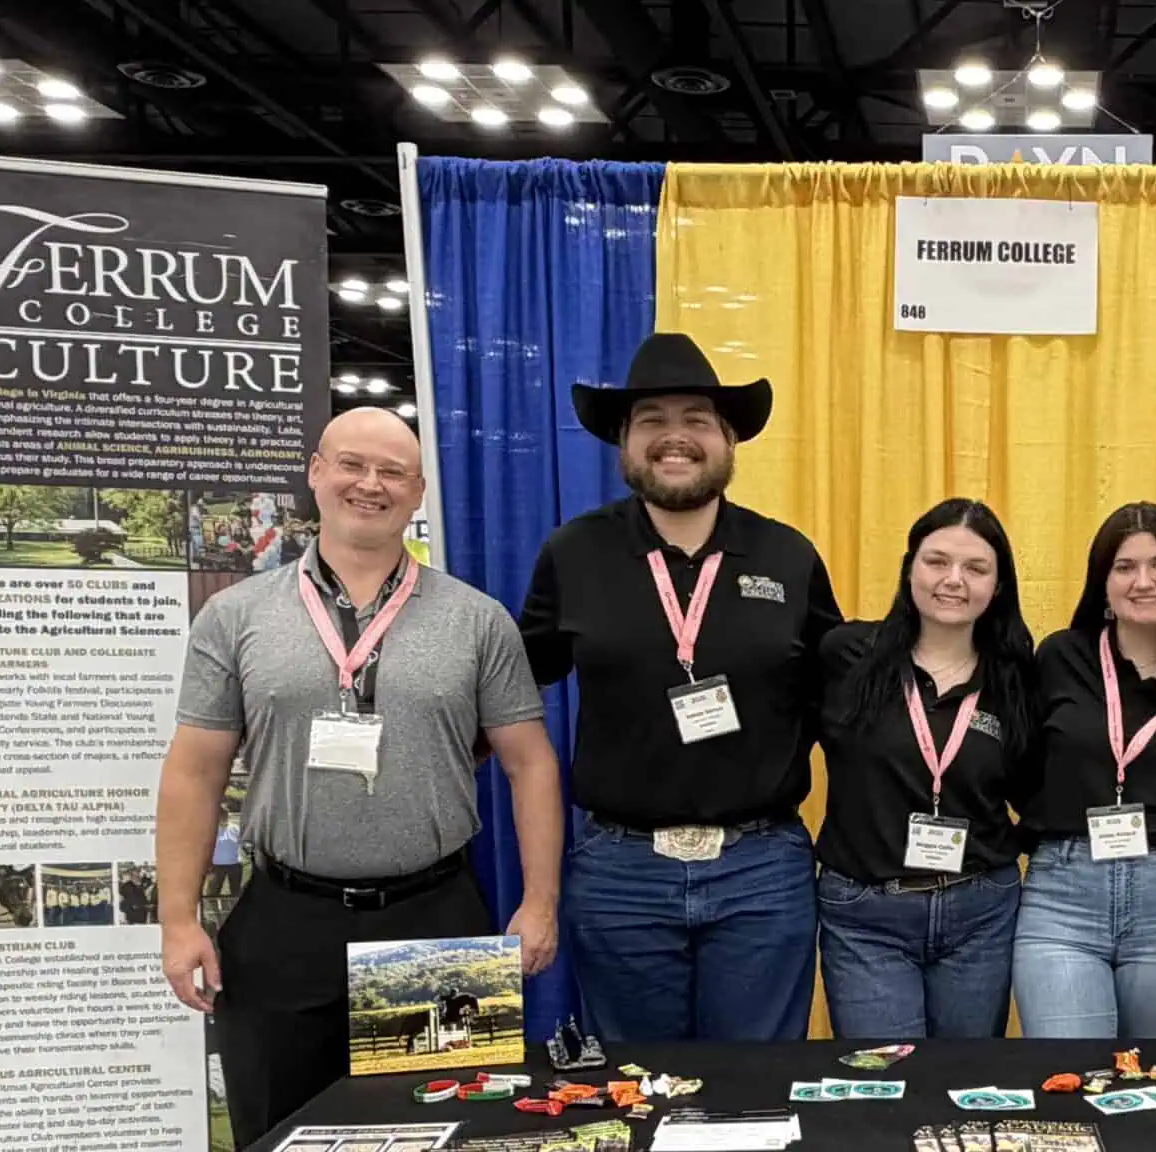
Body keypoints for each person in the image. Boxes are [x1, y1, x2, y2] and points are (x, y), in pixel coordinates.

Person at [155, 409, 563, 1150]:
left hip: (435, 917)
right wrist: (178, 919)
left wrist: (540, 902)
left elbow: (529, 762)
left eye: (392, 473)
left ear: (417, 492)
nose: (369, 485)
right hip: (285, 919)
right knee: (279, 1133)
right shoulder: (235, 615)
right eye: (351, 465)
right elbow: (194, 771)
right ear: (316, 472)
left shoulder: (479, 621)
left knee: (450, 1134)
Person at [517, 332, 839, 1042]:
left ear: (729, 440)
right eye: (652, 421)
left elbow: (839, 699)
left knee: (756, 1092)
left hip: (761, 870)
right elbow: (511, 692)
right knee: (639, 1091)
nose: (675, 438)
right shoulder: (573, 553)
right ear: (624, 444)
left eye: (696, 419)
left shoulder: (788, 556)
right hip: (620, 872)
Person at [1013, 503, 1156, 1039]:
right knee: (1069, 1080)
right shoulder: (1060, 657)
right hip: (1063, 902)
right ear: (1103, 582)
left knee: (1148, 1090)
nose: (1144, 581)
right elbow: (1021, 769)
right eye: (1124, 566)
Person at [813, 500, 1036, 1038]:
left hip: (980, 912)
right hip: (867, 914)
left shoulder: (1018, 676)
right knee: (885, 1087)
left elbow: (1039, 789)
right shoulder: (847, 655)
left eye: (975, 568)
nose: (953, 580)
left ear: (998, 585)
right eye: (936, 562)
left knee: (963, 1084)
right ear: (909, 567)